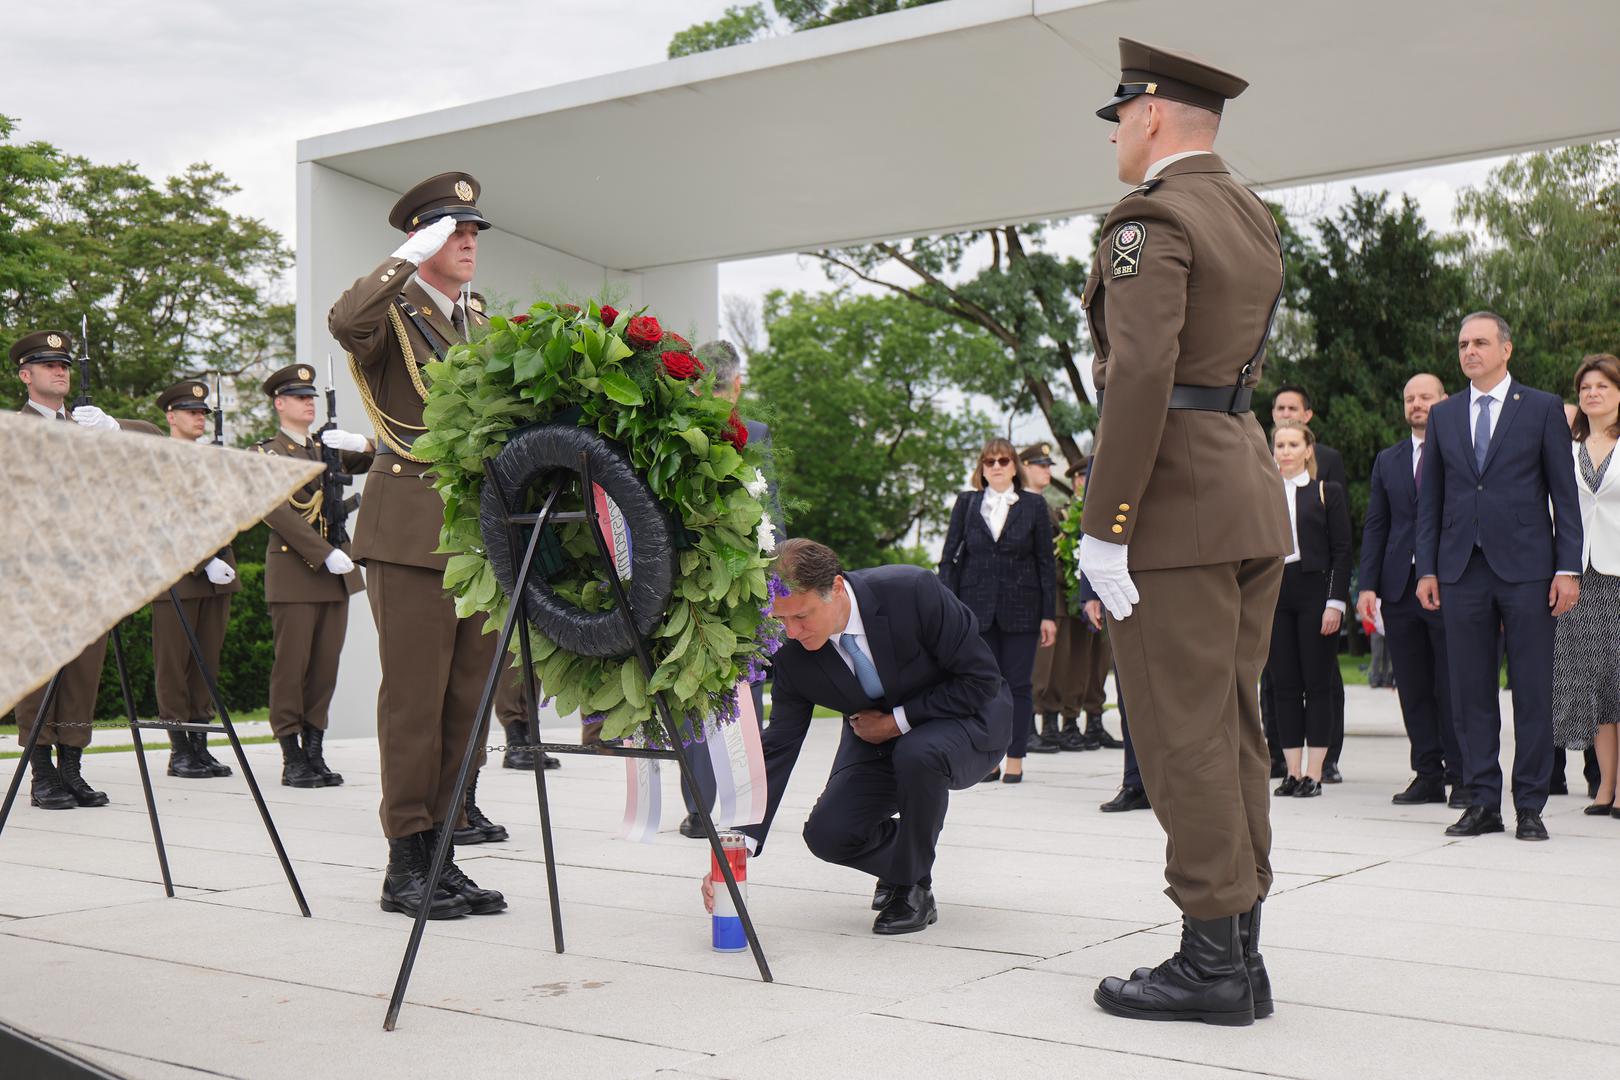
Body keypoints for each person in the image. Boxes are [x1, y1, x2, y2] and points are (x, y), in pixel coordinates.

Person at [1077, 38, 1292, 1026]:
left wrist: (1104, 524)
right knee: (1234, 727)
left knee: (1182, 736)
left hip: (1175, 506)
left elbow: (1142, 376)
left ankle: (1210, 963)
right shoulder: (1246, 211)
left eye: (1121, 114)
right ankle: (1239, 952)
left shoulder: (1152, 216)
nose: (1118, 131)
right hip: (1243, 490)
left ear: (1152, 113)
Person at [329, 171, 506, 918]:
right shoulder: (390, 311)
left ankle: (442, 854)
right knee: (413, 703)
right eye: (451, 231)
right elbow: (344, 320)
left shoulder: (476, 321)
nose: (467, 242)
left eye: (471, 232)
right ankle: (405, 862)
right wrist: (405, 257)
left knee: (465, 703)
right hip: (407, 533)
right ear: (420, 238)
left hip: (472, 535)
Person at [707, 538, 1010, 935]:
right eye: (780, 620)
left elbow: (980, 679)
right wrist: (736, 850)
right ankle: (909, 856)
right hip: (876, 739)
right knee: (828, 834)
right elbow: (779, 744)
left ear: (834, 588)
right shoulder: (790, 650)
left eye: (801, 616)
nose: (791, 632)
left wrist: (897, 721)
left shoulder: (913, 591)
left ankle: (912, 886)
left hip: (968, 721)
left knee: (919, 752)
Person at [1415, 312, 1583, 842]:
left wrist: (1567, 567)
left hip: (1529, 571)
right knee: (1470, 692)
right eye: (1463, 344)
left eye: (1481, 342)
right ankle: (1482, 800)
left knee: (1532, 690)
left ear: (1505, 349)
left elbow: (1565, 494)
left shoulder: (1540, 409)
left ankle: (1530, 804)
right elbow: (1431, 502)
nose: (1469, 351)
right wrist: (1428, 568)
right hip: (1461, 569)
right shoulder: (1444, 416)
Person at [9, 330, 158, 809]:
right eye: (48, 365)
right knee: (40, 674)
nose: (60, 371)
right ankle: (42, 774)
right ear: (25, 375)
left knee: (83, 673)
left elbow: (157, 443)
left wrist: (113, 428)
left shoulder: (92, 425)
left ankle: (72, 768)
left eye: (65, 365)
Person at [673, 339, 783, 837]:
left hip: (685, 575)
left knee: (691, 686)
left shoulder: (671, 428)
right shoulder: (754, 433)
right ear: (736, 385)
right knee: (744, 692)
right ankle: (743, 801)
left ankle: (700, 808)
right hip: (743, 576)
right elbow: (771, 517)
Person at [252, 364, 372, 789]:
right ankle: (291, 756)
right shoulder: (268, 454)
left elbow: (382, 457)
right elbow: (276, 511)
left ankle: (315, 751)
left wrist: (360, 441)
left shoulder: (327, 448)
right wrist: (324, 555)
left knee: (324, 667)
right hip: (297, 574)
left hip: (333, 577)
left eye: (312, 397)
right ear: (279, 404)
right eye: (299, 397)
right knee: (293, 666)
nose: (309, 403)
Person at [1357, 374, 1465, 807]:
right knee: (1414, 687)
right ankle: (1427, 773)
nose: (1416, 404)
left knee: (1452, 686)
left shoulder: (1461, 454)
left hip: (1449, 585)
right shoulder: (1389, 459)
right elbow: (1376, 525)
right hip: (1398, 590)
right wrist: (1367, 586)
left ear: (1444, 401)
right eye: (1409, 398)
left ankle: (1463, 775)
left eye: (1425, 397)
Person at [938, 437, 1057, 783]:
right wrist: (949, 607)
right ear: (981, 468)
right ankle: (989, 759)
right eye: (989, 462)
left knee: (1018, 685)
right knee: (984, 685)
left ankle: (1016, 757)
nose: (997, 467)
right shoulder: (967, 503)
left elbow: (1045, 563)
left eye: (1003, 461)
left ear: (1014, 466)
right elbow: (949, 558)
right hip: (975, 609)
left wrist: (1048, 614)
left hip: (1023, 609)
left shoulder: (1033, 505)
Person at [150, 378, 240, 781]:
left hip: (218, 575)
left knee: (206, 665)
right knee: (174, 666)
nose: (199, 418)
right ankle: (178, 750)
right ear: (171, 416)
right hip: (178, 578)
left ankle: (200, 746)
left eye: (203, 412)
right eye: (192, 412)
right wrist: (202, 561)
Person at [1269, 384, 1349, 782]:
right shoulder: (1262, 494)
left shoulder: (1325, 492)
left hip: (1315, 589)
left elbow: (1341, 550)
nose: (1285, 451)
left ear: (1306, 449)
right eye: (1279, 445)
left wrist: (1335, 602)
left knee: (1317, 683)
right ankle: (1291, 771)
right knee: (1284, 684)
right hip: (1275, 591)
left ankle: (1315, 773)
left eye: (1292, 444)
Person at [1553, 355, 1620, 815]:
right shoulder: (1566, 447)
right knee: (1592, 684)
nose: (1592, 393)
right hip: (1580, 576)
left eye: (1602, 385)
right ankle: (1604, 788)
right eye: (1585, 388)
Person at [1022, 444, 1078, 754]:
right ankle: (1026, 729)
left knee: (1049, 669)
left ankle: (1041, 727)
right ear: (1025, 467)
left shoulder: (1042, 505)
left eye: (1048, 465)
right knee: (1035, 670)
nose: (1047, 470)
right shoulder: (1026, 504)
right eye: (1041, 465)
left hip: (1052, 598)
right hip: (1034, 600)